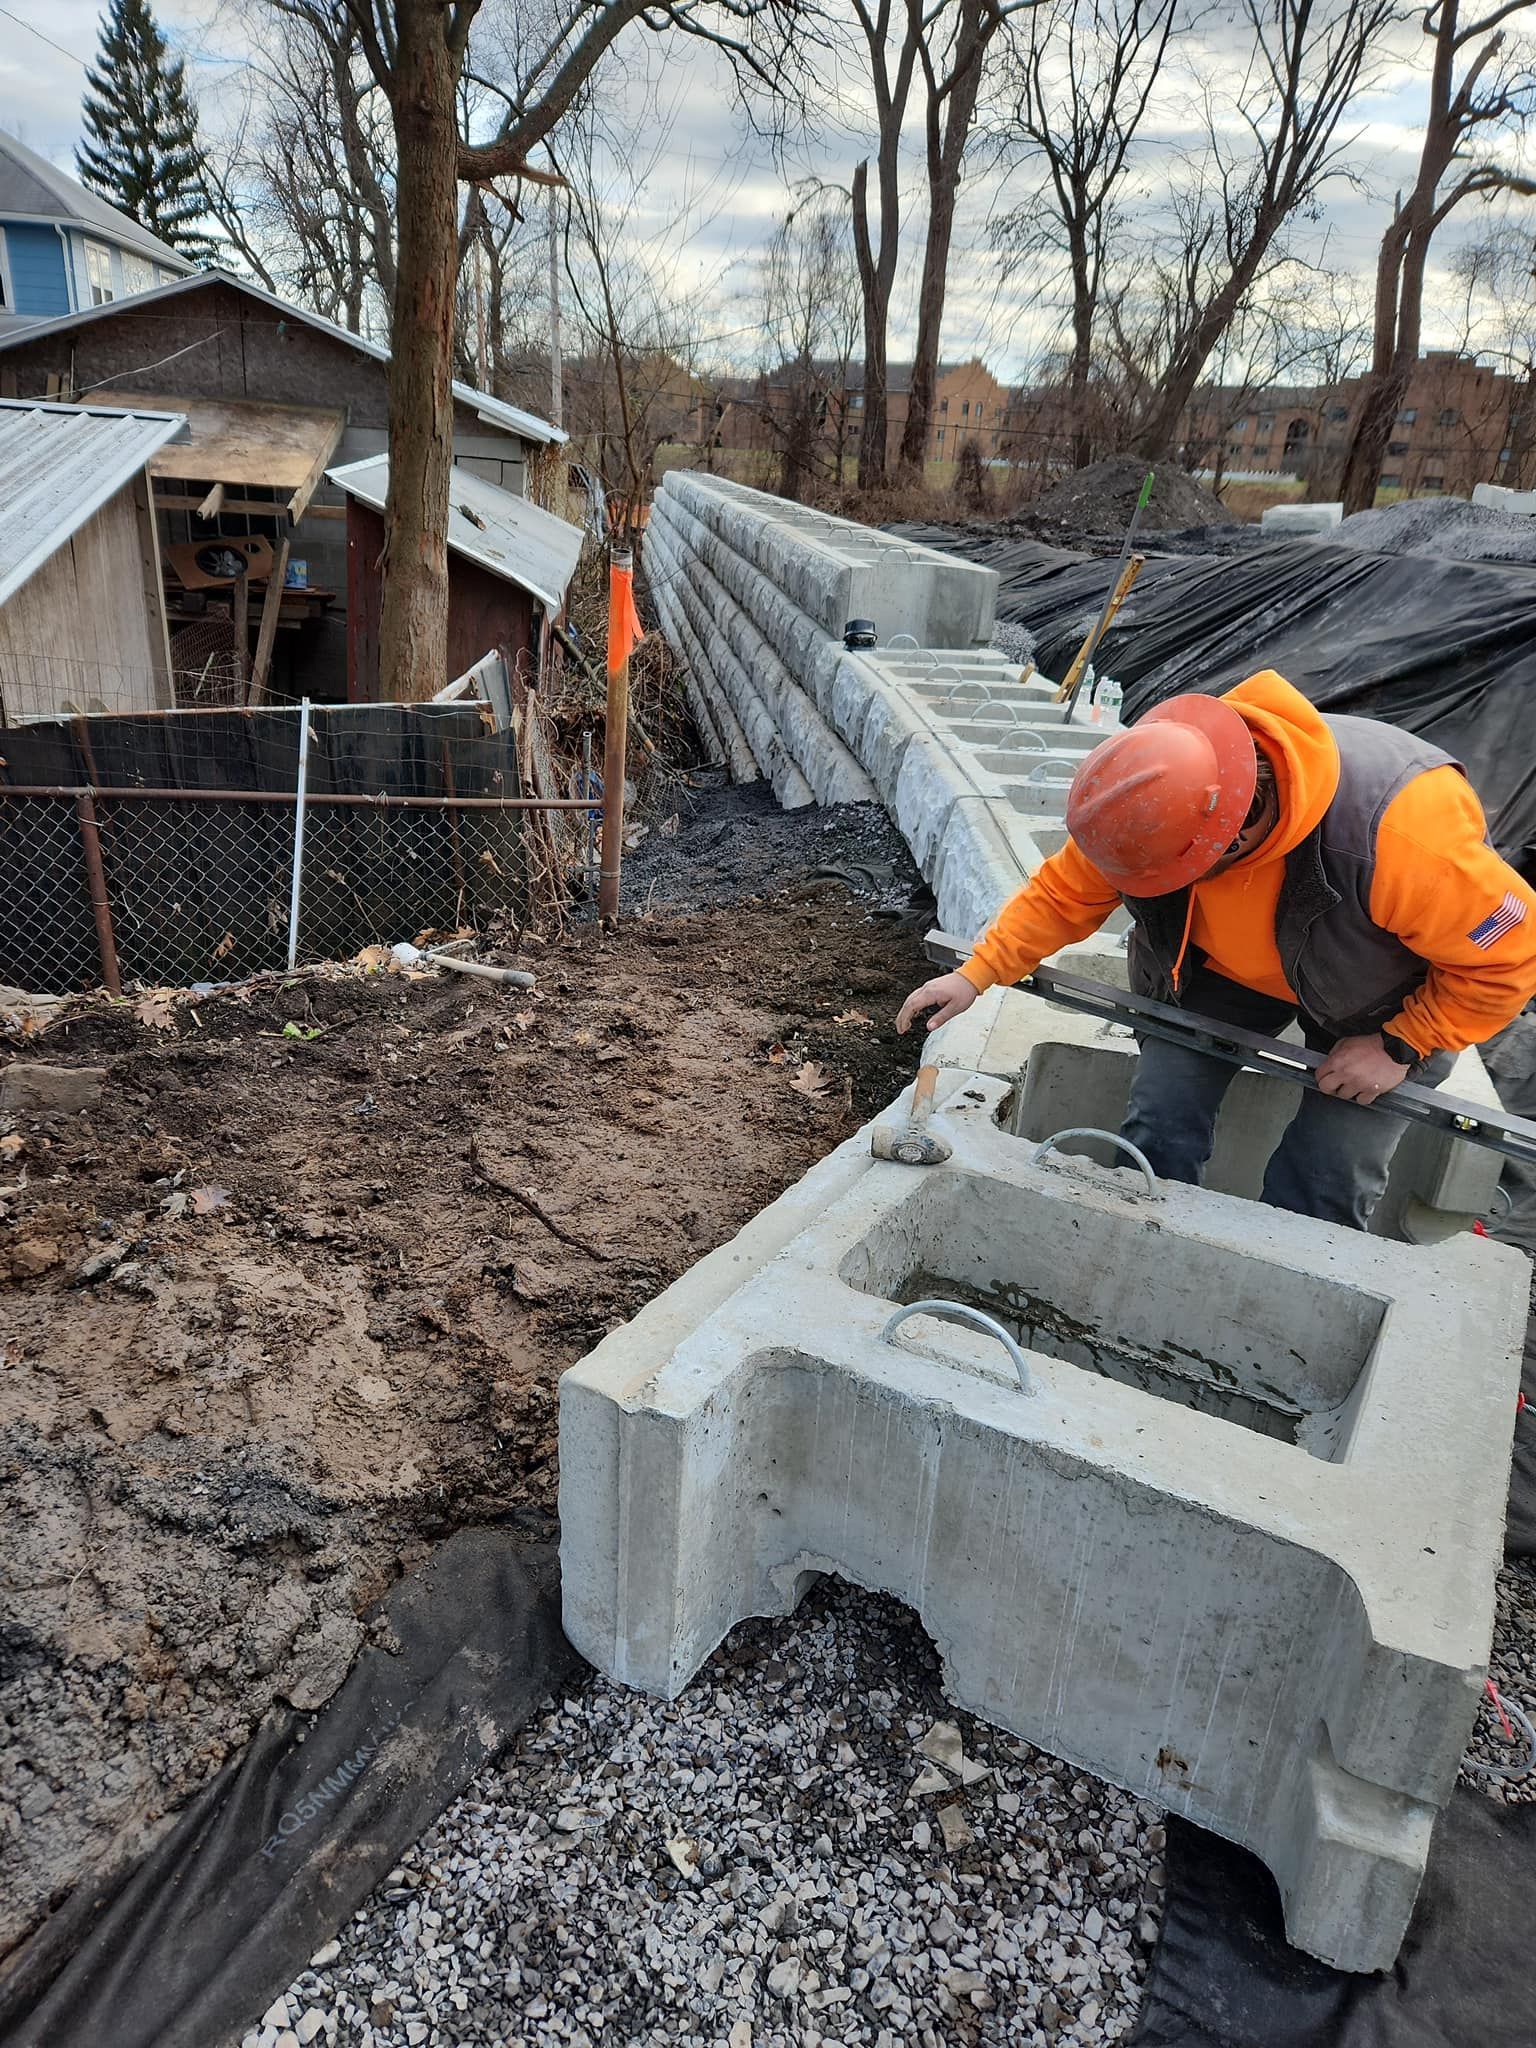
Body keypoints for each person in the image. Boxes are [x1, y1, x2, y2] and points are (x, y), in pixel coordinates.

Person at [896, 670, 1536, 1230]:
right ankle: (1136, 1241)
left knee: (1327, 1168)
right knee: (1162, 1114)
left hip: (1380, 996)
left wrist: (1402, 1043)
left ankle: (1286, 1307)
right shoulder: (1161, 789)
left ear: (1230, 840)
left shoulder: (1399, 835)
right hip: (1224, 970)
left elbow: (1513, 955)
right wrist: (978, 973)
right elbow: (1066, 891)